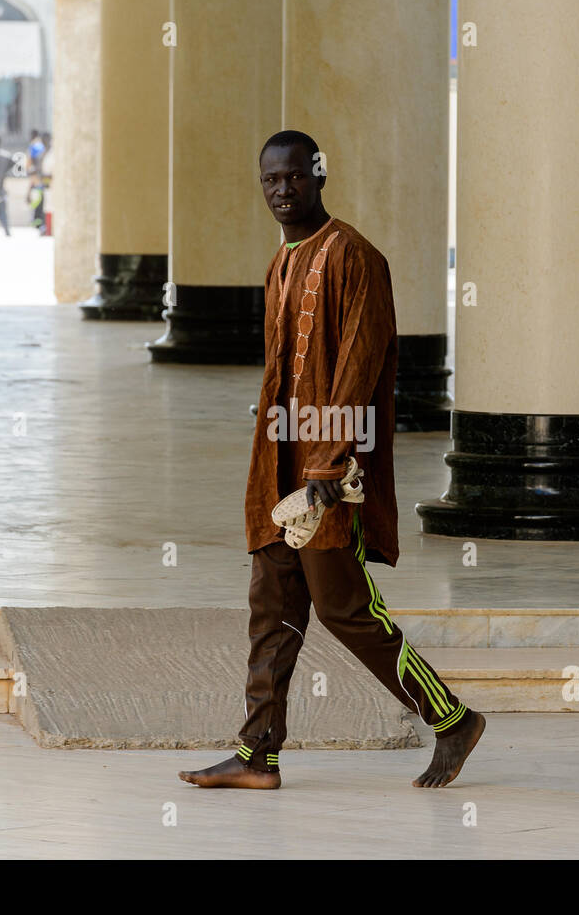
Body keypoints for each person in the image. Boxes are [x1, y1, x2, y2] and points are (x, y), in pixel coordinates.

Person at [177, 130, 486, 792]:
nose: (281, 191)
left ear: (319, 175)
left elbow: (358, 364)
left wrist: (327, 465)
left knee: (345, 607)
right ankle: (258, 752)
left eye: (293, 177)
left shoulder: (355, 257)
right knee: (272, 604)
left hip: (331, 475)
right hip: (283, 471)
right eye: (270, 181)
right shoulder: (281, 261)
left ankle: (451, 718)